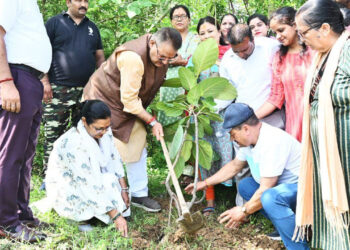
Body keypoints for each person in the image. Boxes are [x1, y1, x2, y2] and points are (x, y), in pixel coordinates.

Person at [83, 27, 182, 213]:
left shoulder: (161, 53)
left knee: (137, 143)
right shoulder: (133, 58)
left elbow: (130, 100)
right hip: (103, 101)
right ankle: (102, 198)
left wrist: (177, 62)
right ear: (152, 43)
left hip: (126, 106)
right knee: (104, 152)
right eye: (162, 58)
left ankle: (139, 194)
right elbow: (129, 101)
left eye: (170, 58)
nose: (165, 62)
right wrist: (153, 121)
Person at [185, 103, 309, 250]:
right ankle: (285, 226)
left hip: (304, 193)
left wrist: (243, 210)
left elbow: (265, 189)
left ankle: (298, 244)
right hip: (282, 191)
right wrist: (204, 183)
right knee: (246, 186)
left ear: (245, 129)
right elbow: (235, 166)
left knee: (269, 198)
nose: (232, 139)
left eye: (233, 135)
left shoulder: (272, 141)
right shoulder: (249, 142)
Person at [294, 0, 350, 248]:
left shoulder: (347, 51)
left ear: (325, 28)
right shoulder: (321, 57)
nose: (301, 38)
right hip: (325, 157)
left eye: (303, 32)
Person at [0, 0, 52, 243]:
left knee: (26, 154)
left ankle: (21, 214)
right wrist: (5, 81)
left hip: (31, 80)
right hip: (16, 78)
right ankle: (6, 222)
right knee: (11, 154)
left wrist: (41, 79)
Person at [37, 100, 129, 237]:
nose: (103, 132)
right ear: (84, 121)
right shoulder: (74, 143)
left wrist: (124, 189)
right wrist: (116, 216)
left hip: (95, 178)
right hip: (71, 187)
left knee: (110, 180)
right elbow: (87, 183)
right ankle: (80, 218)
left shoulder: (105, 133)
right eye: (99, 128)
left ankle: (102, 213)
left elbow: (115, 159)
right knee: (101, 189)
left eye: (106, 127)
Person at [42, 0, 105, 170]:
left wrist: (101, 85)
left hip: (86, 92)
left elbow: (100, 58)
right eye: (79, 0)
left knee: (83, 134)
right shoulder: (54, 23)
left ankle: (79, 172)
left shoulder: (93, 28)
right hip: (57, 89)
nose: (83, 4)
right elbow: (42, 52)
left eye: (86, 1)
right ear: (68, 2)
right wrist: (44, 81)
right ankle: (50, 175)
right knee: (54, 135)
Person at [192, 16, 235, 215]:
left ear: (219, 33)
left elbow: (232, 88)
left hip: (223, 114)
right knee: (204, 154)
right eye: (202, 33)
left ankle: (235, 198)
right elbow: (190, 87)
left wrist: (217, 107)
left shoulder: (230, 56)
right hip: (201, 115)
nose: (207, 35)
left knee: (228, 153)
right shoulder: (195, 59)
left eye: (210, 31)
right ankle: (209, 200)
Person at [255, 7, 314, 142]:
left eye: (281, 30)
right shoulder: (279, 58)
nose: (277, 36)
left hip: (321, 119)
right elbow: (276, 97)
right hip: (295, 124)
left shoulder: (315, 50)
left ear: (295, 25)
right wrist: (251, 117)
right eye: (275, 32)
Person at [158, 5, 199, 126]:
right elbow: (159, 58)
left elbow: (195, 59)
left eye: (183, 16)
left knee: (187, 121)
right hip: (168, 85)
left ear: (189, 19)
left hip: (188, 84)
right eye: (176, 17)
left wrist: (182, 61)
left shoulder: (196, 38)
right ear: (171, 21)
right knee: (168, 117)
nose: (179, 19)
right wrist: (180, 60)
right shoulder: (165, 39)